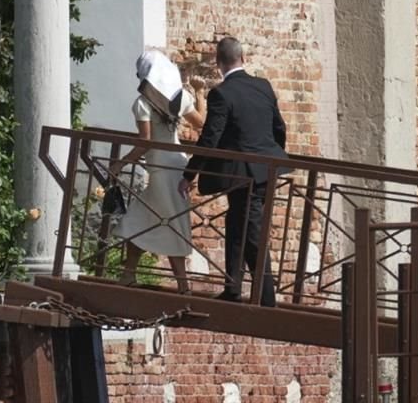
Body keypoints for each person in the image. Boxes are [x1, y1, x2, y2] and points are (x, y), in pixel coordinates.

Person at [178, 37, 287, 306]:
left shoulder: (221, 94)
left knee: (251, 229)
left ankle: (266, 297)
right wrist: (270, 159)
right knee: (237, 224)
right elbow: (279, 129)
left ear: (218, 64)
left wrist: (189, 175)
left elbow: (210, 138)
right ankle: (233, 288)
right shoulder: (263, 86)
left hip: (243, 174)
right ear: (244, 58)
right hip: (265, 169)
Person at [109, 50, 205, 294]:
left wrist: (120, 164)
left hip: (161, 169)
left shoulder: (141, 103)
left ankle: (183, 287)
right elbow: (202, 123)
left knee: (170, 223)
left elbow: (145, 142)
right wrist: (200, 93)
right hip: (178, 165)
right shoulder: (181, 98)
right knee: (139, 219)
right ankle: (129, 273)